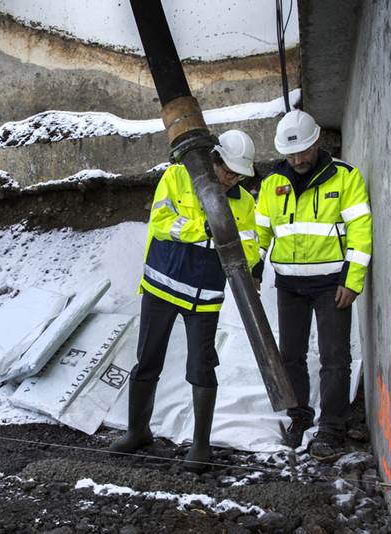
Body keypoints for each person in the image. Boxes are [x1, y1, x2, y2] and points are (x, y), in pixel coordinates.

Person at [110, 130, 262, 472]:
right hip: (162, 288)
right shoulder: (178, 176)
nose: (232, 179)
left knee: (202, 368)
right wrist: (206, 227)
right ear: (215, 160)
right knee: (148, 360)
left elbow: (250, 248)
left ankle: (201, 448)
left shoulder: (244, 202)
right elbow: (162, 222)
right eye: (228, 172)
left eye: (239, 175)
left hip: (204, 298)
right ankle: (137, 432)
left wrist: (245, 256)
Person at [254, 110, 372, 461]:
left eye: (303, 151)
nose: (298, 159)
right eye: (291, 155)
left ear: (317, 142)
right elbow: (261, 232)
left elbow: (361, 232)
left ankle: (332, 429)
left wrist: (352, 280)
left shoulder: (345, 178)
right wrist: (254, 268)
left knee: (335, 358)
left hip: (331, 284)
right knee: (290, 356)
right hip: (289, 285)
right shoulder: (274, 183)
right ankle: (300, 417)